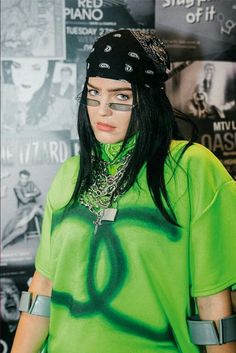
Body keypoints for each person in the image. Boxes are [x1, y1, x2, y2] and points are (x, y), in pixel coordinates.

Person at [11, 30, 236, 353]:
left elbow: (214, 304)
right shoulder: (71, 173)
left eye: (120, 97)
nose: (102, 110)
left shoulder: (192, 170)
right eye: (93, 93)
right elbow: (43, 290)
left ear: (147, 99)